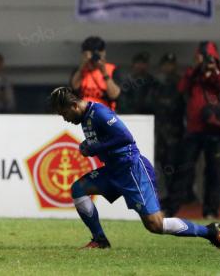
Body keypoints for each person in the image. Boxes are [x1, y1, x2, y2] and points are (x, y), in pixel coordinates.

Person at [49, 86, 220, 249]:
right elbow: (102, 141)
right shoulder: (85, 119)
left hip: (131, 169)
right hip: (113, 170)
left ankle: (210, 232)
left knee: (156, 224)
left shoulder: (99, 112)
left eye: (64, 113)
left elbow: (125, 137)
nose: (65, 118)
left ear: (74, 105)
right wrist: (87, 146)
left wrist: (95, 148)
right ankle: (100, 240)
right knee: (78, 189)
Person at [166, 42, 220, 219]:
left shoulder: (217, 73)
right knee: (184, 170)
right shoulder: (193, 74)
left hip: (214, 130)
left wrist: (215, 71)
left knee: (214, 171)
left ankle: (211, 210)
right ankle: (173, 208)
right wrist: (196, 68)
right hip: (194, 131)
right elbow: (181, 88)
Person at [151, 53, 185, 202]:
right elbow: (152, 105)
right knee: (161, 165)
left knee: (175, 165)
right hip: (160, 130)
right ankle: (164, 198)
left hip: (175, 130)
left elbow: (181, 106)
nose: (168, 67)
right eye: (166, 64)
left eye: (171, 64)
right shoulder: (157, 84)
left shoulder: (180, 83)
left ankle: (174, 198)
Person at [71, 36, 121, 110]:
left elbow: (114, 95)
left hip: (105, 114)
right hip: (83, 113)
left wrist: (104, 72)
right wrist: (83, 65)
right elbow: (74, 87)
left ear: (103, 53)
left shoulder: (111, 69)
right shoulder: (80, 71)